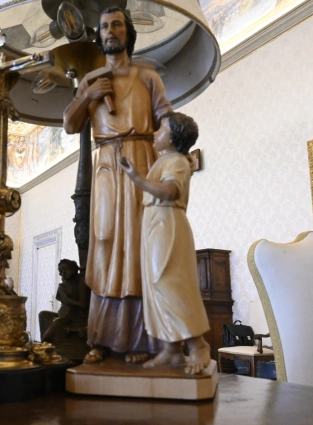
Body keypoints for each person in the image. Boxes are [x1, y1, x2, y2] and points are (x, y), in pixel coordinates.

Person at [63, 6, 173, 364]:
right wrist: (88, 96)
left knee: (139, 246)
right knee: (105, 244)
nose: (110, 31)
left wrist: (174, 160)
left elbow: (166, 119)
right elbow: (69, 124)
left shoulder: (147, 76)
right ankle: (101, 338)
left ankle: (143, 340)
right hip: (106, 165)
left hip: (142, 159)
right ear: (99, 35)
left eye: (117, 25)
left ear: (128, 33)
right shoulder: (91, 79)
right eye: (105, 27)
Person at [120, 112, 210, 374]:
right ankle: (171, 349)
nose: (155, 133)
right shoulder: (165, 160)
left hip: (168, 224)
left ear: (174, 138)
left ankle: (198, 345)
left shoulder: (178, 161)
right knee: (154, 285)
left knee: (169, 283)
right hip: (155, 224)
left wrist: (138, 179)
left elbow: (170, 192)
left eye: (161, 130)